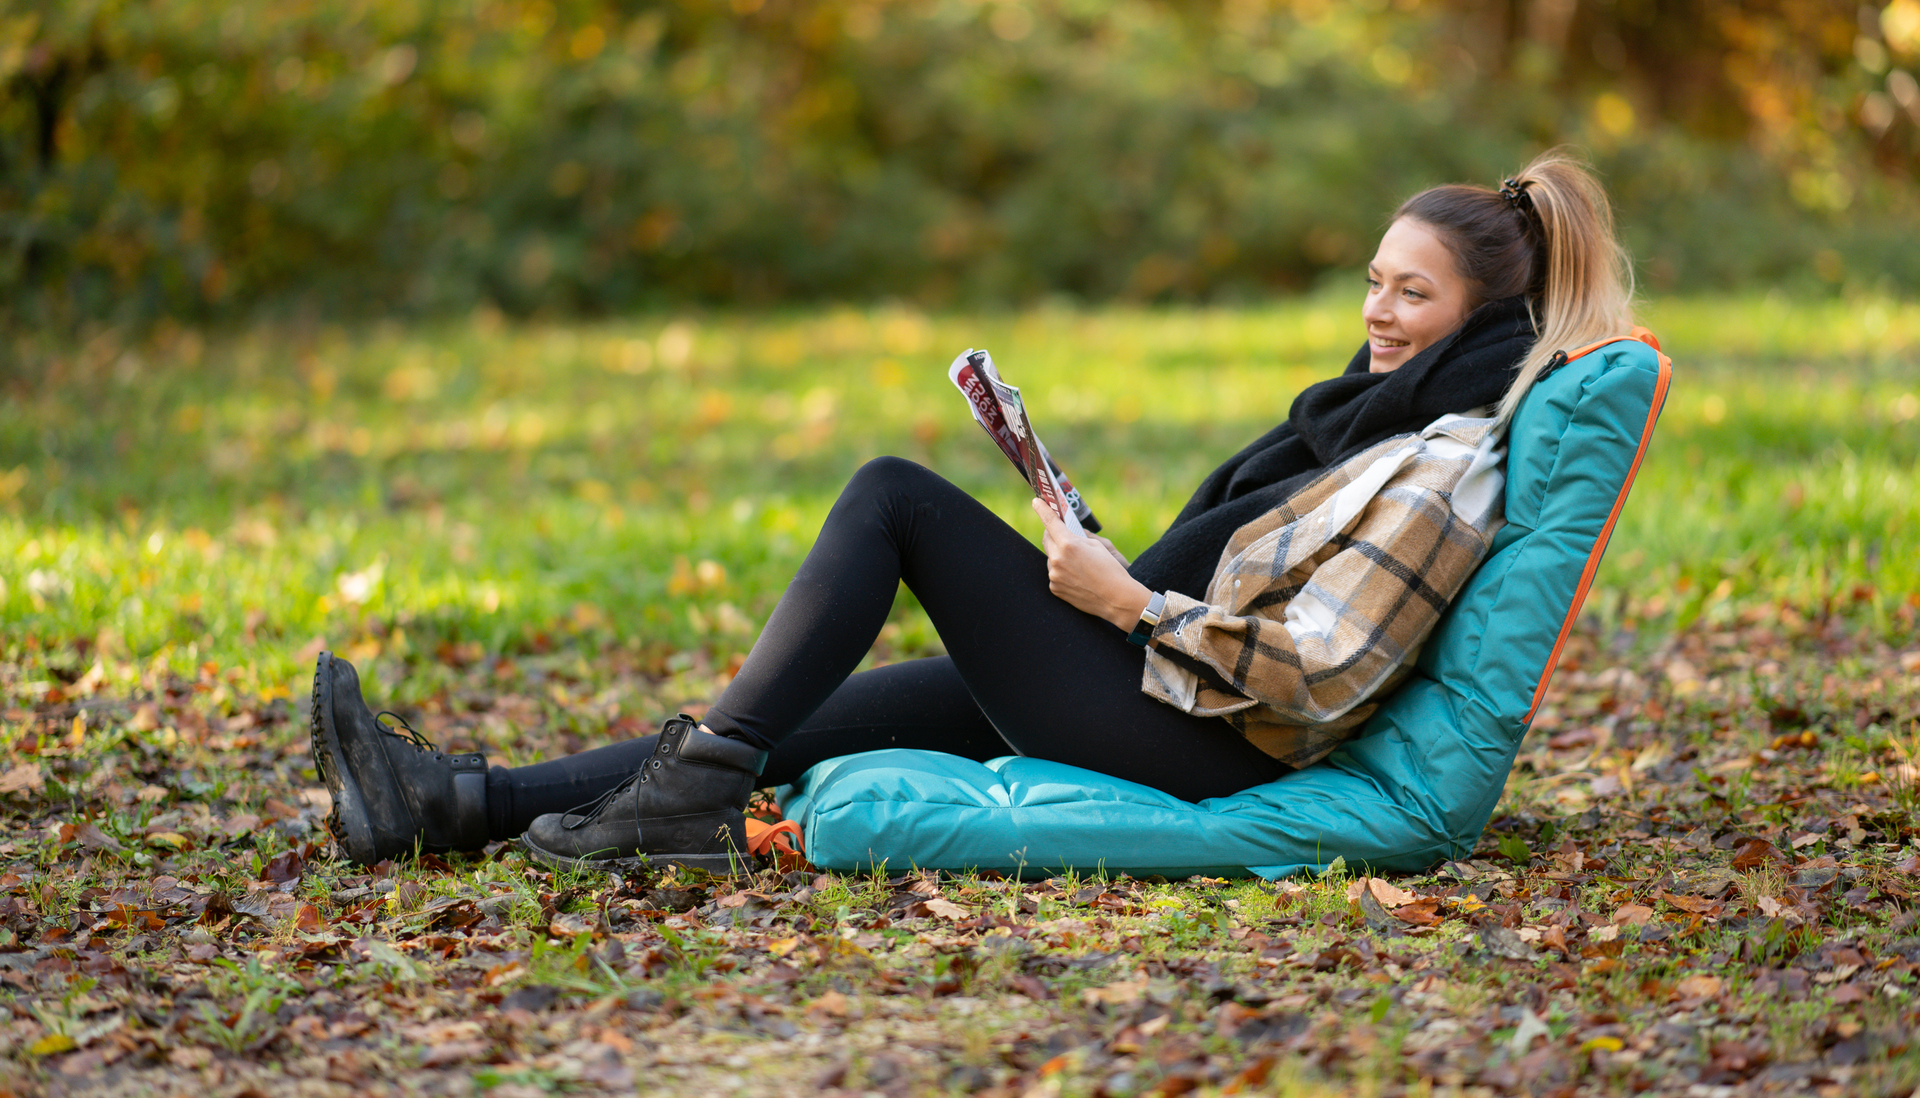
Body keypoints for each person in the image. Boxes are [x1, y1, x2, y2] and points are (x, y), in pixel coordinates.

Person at [310, 150, 1635, 872]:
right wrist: (1106, 565)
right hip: (1162, 680)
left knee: (895, 498)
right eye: (1374, 280)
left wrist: (1130, 603)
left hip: (1214, 739)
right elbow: (1251, 569)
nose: (1377, 313)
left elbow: (1321, 675)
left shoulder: (1445, 464)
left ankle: (673, 802)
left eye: (1412, 294)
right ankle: (452, 804)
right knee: (812, 716)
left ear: (1484, 318)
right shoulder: (1363, 414)